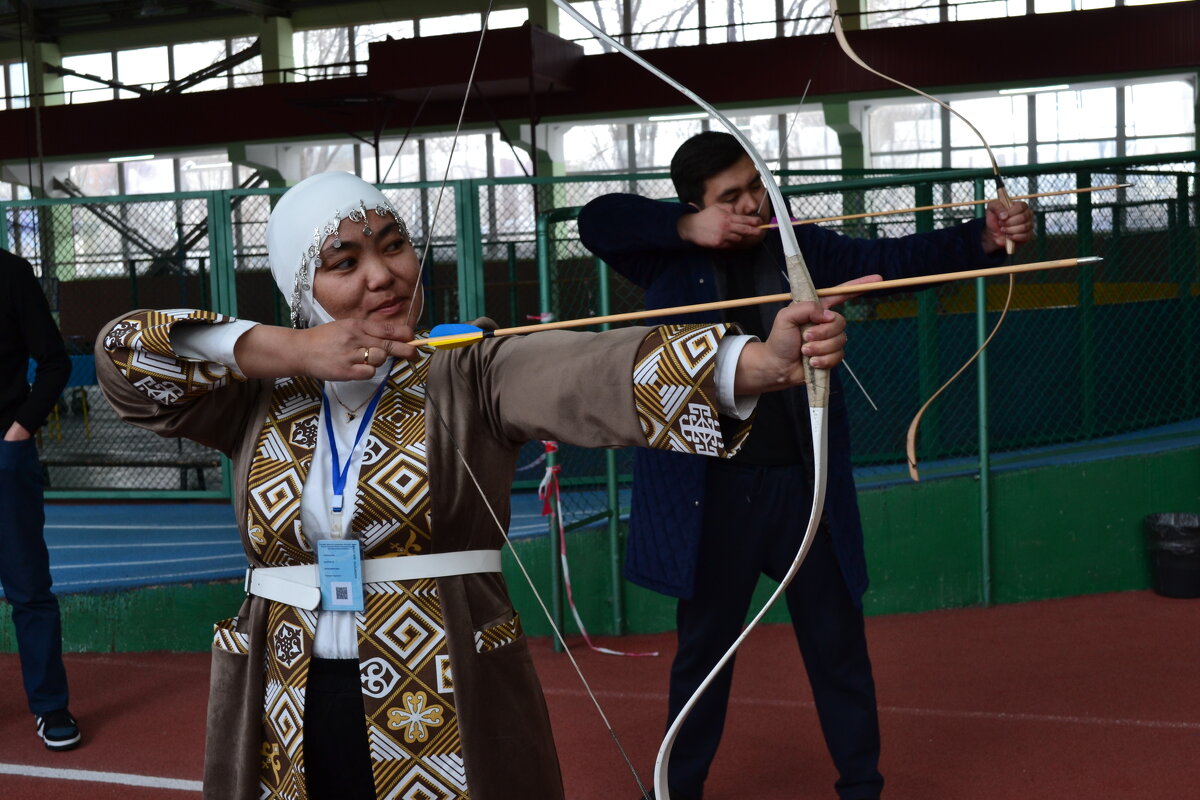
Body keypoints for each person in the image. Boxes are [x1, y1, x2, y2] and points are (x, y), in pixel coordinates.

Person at [95, 171, 857, 800]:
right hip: (286, 695)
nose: (381, 274)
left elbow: (583, 374)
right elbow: (124, 354)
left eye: (394, 247)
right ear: (301, 282)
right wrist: (289, 349)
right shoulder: (252, 395)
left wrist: (754, 364)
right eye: (343, 260)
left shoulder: (471, 370)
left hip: (443, 686)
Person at [577, 131, 1034, 800]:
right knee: (703, 656)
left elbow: (893, 259)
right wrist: (687, 226)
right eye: (728, 197)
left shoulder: (801, 247)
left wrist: (985, 238)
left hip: (803, 485)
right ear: (695, 206)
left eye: (755, 185)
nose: (752, 203)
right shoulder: (665, 259)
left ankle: (861, 787)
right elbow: (597, 221)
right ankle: (677, 791)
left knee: (837, 646)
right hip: (714, 492)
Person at [0, 248, 79, 751]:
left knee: (28, 586)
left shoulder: (9, 273)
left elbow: (54, 362)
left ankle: (51, 707)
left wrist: (18, 432)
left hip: (4, 456)